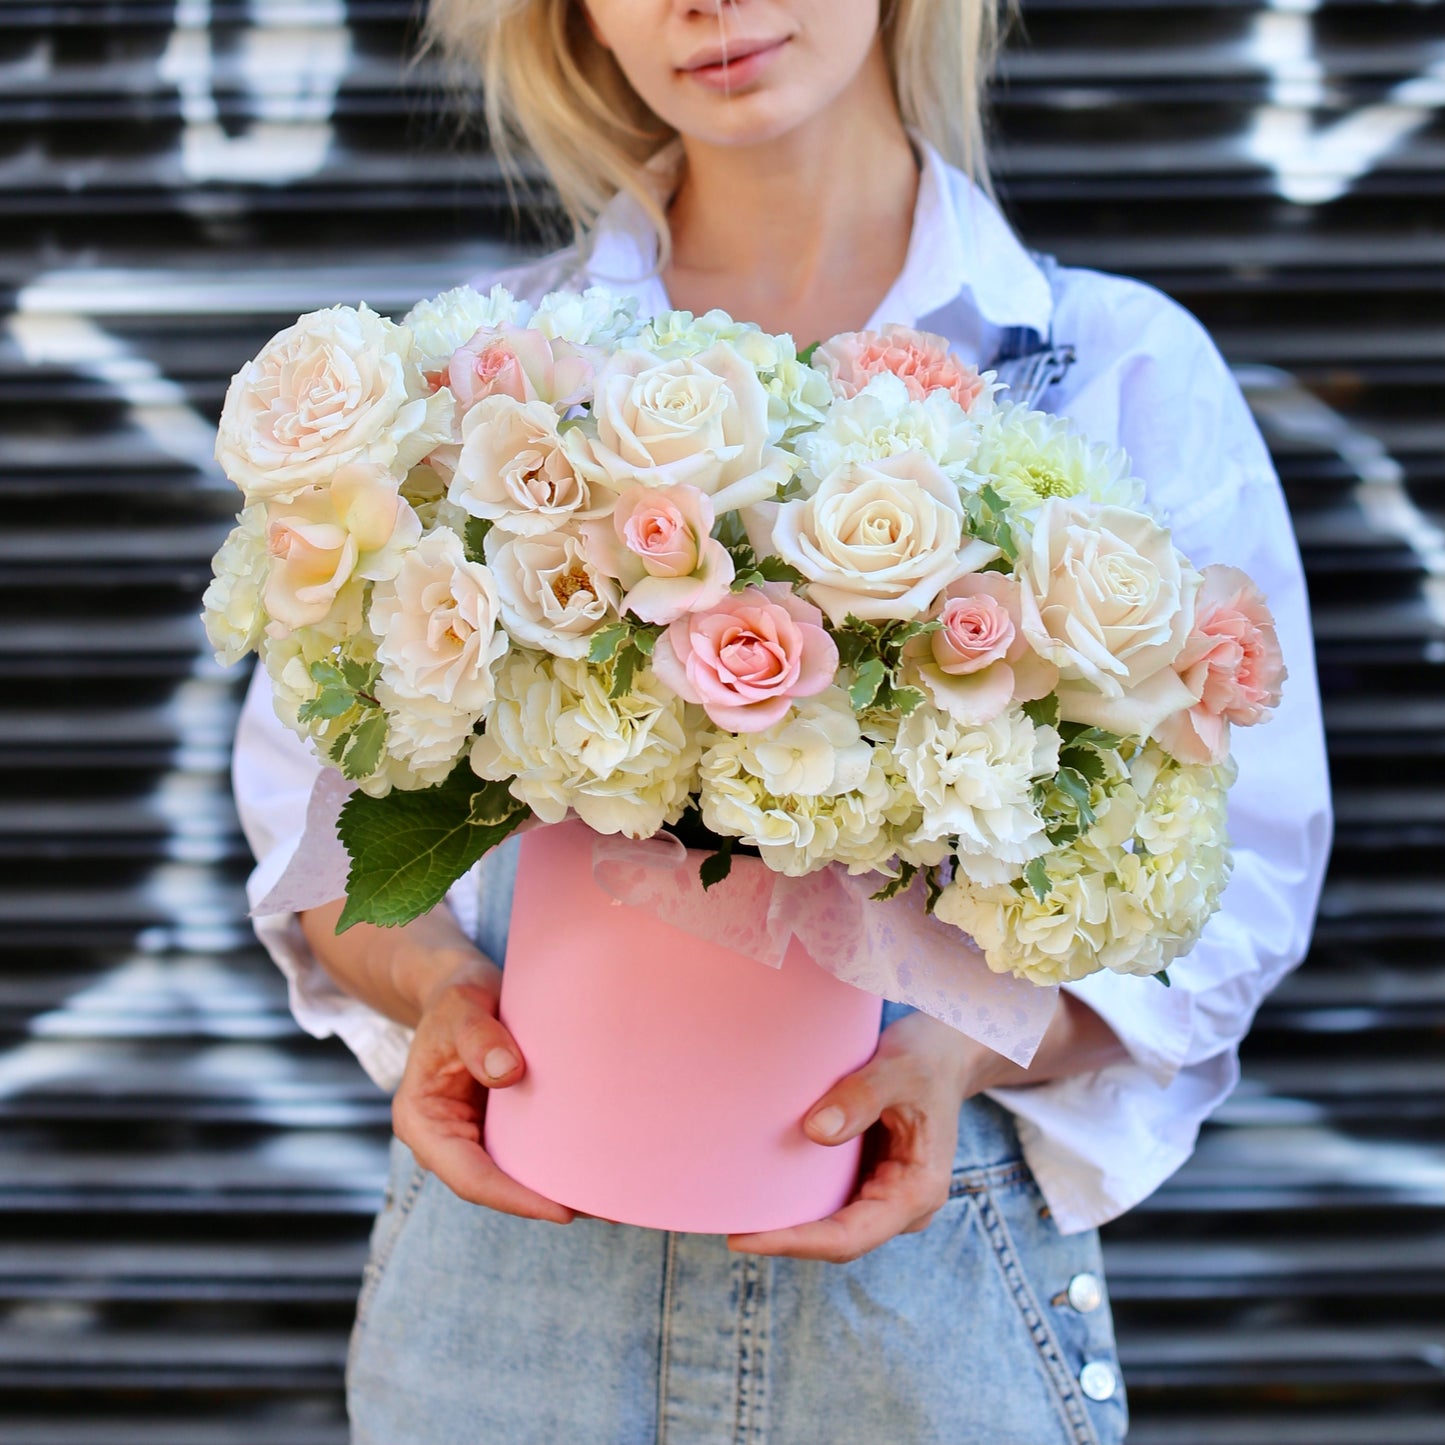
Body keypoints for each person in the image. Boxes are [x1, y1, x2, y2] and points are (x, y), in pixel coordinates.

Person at [230, 2, 1334, 1441]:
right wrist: (440, 990)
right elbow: (320, 834)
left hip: (922, 1271)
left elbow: (1240, 869)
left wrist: (958, 1048)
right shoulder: (478, 376)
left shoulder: (1110, 363)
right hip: (508, 1267)